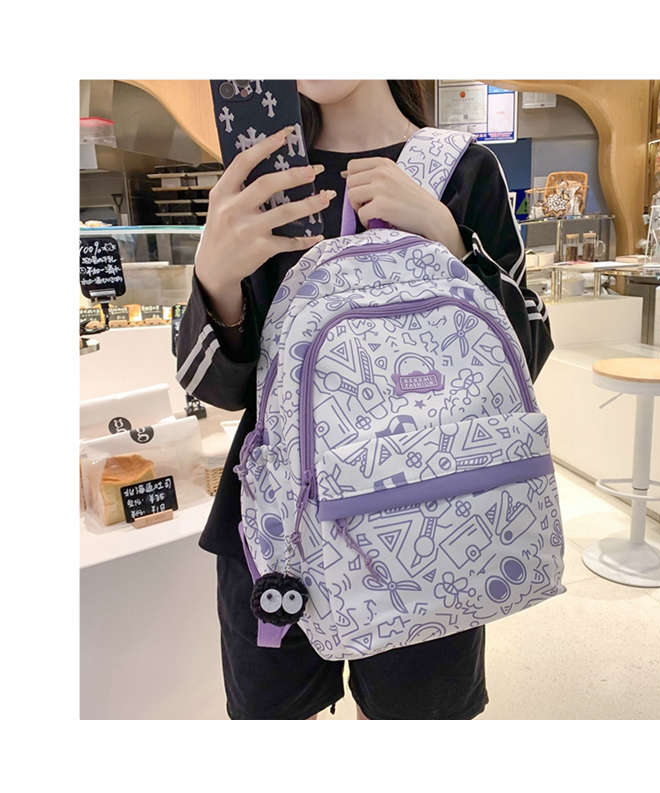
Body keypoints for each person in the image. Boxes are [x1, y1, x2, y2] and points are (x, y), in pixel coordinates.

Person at [177, 80, 552, 720]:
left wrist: (451, 243)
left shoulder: (461, 170)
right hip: (277, 530)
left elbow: (524, 358)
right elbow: (219, 390)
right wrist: (216, 280)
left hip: (431, 520)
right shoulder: (265, 177)